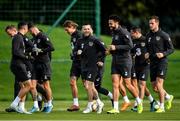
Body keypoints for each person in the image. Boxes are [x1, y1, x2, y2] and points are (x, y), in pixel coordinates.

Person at [106, 15, 142, 114]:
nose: (109, 25)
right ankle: (116, 108)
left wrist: (115, 47)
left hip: (125, 61)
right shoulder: (114, 32)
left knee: (127, 84)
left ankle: (139, 102)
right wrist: (110, 51)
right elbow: (114, 47)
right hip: (115, 61)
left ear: (116, 22)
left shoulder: (124, 32)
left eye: (111, 23)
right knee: (115, 84)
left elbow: (130, 46)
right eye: (109, 23)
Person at [145, 16, 174, 113]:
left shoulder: (164, 35)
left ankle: (162, 107)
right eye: (149, 23)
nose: (150, 25)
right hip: (152, 63)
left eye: (152, 23)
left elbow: (171, 49)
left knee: (159, 84)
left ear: (157, 23)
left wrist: (163, 54)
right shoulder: (148, 35)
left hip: (162, 62)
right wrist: (147, 54)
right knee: (155, 87)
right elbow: (147, 48)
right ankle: (168, 97)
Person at [75, 24, 104, 114]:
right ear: (82, 30)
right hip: (84, 66)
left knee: (88, 85)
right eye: (85, 29)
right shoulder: (79, 41)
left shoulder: (95, 40)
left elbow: (104, 50)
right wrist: (77, 53)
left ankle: (89, 106)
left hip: (93, 66)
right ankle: (99, 102)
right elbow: (75, 51)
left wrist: (101, 60)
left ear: (91, 30)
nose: (86, 30)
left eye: (88, 29)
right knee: (89, 87)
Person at [6, 22, 33, 114]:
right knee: (29, 85)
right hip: (18, 65)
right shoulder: (18, 37)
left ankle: (21, 107)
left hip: (17, 64)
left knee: (23, 86)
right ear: (25, 28)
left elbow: (20, 51)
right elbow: (16, 52)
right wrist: (26, 57)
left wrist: (27, 55)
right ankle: (14, 104)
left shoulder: (20, 37)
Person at [28, 23, 55, 113]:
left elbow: (51, 47)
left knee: (46, 85)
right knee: (32, 85)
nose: (29, 32)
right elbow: (32, 50)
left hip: (44, 64)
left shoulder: (43, 36)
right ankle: (36, 105)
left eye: (30, 30)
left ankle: (49, 104)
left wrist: (42, 50)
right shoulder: (34, 39)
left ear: (34, 28)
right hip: (35, 65)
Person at [130, 26, 156, 112]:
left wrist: (149, 56)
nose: (131, 35)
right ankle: (152, 101)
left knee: (141, 85)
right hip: (136, 66)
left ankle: (139, 104)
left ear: (136, 32)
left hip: (145, 65)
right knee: (142, 86)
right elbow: (132, 51)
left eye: (132, 33)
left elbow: (153, 50)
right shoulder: (133, 41)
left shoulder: (146, 40)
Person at [63, 20, 82, 111]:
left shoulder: (80, 35)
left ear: (72, 27)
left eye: (67, 30)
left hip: (83, 63)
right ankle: (76, 104)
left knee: (87, 85)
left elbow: (84, 49)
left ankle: (97, 102)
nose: (66, 32)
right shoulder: (72, 36)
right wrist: (73, 54)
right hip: (75, 63)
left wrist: (78, 53)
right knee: (72, 82)